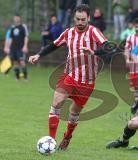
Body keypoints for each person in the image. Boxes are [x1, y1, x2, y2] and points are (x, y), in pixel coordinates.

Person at [28, 4, 111, 151]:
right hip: (69, 75)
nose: (80, 22)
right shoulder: (69, 32)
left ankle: (67, 137)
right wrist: (38, 55)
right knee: (57, 102)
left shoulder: (93, 32)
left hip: (87, 81)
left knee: (74, 113)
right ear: (74, 18)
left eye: (83, 19)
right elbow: (54, 45)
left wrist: (94, 52)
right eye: (77, 19)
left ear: (88, 18)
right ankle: (51, 142)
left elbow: (108, 48)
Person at [124, 18, 138, 113]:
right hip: (133, 67)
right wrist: (127, 59)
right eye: (136, 27)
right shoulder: (130, 37)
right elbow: (126, 49)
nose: (137, 28)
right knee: (136, 89)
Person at [4, 15, 29, 80]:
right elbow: (10, 39)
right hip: (13, 48)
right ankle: (17, 77)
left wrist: (25, 46)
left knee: (22, 62)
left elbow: (26, 37)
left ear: (20, 18)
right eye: (15, 18)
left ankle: (26, 77)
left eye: (17, 18)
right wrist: (8, 48)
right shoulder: (13, 28)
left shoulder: (23, 27)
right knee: (15, 62)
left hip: (20, 48)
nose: (16, 19)